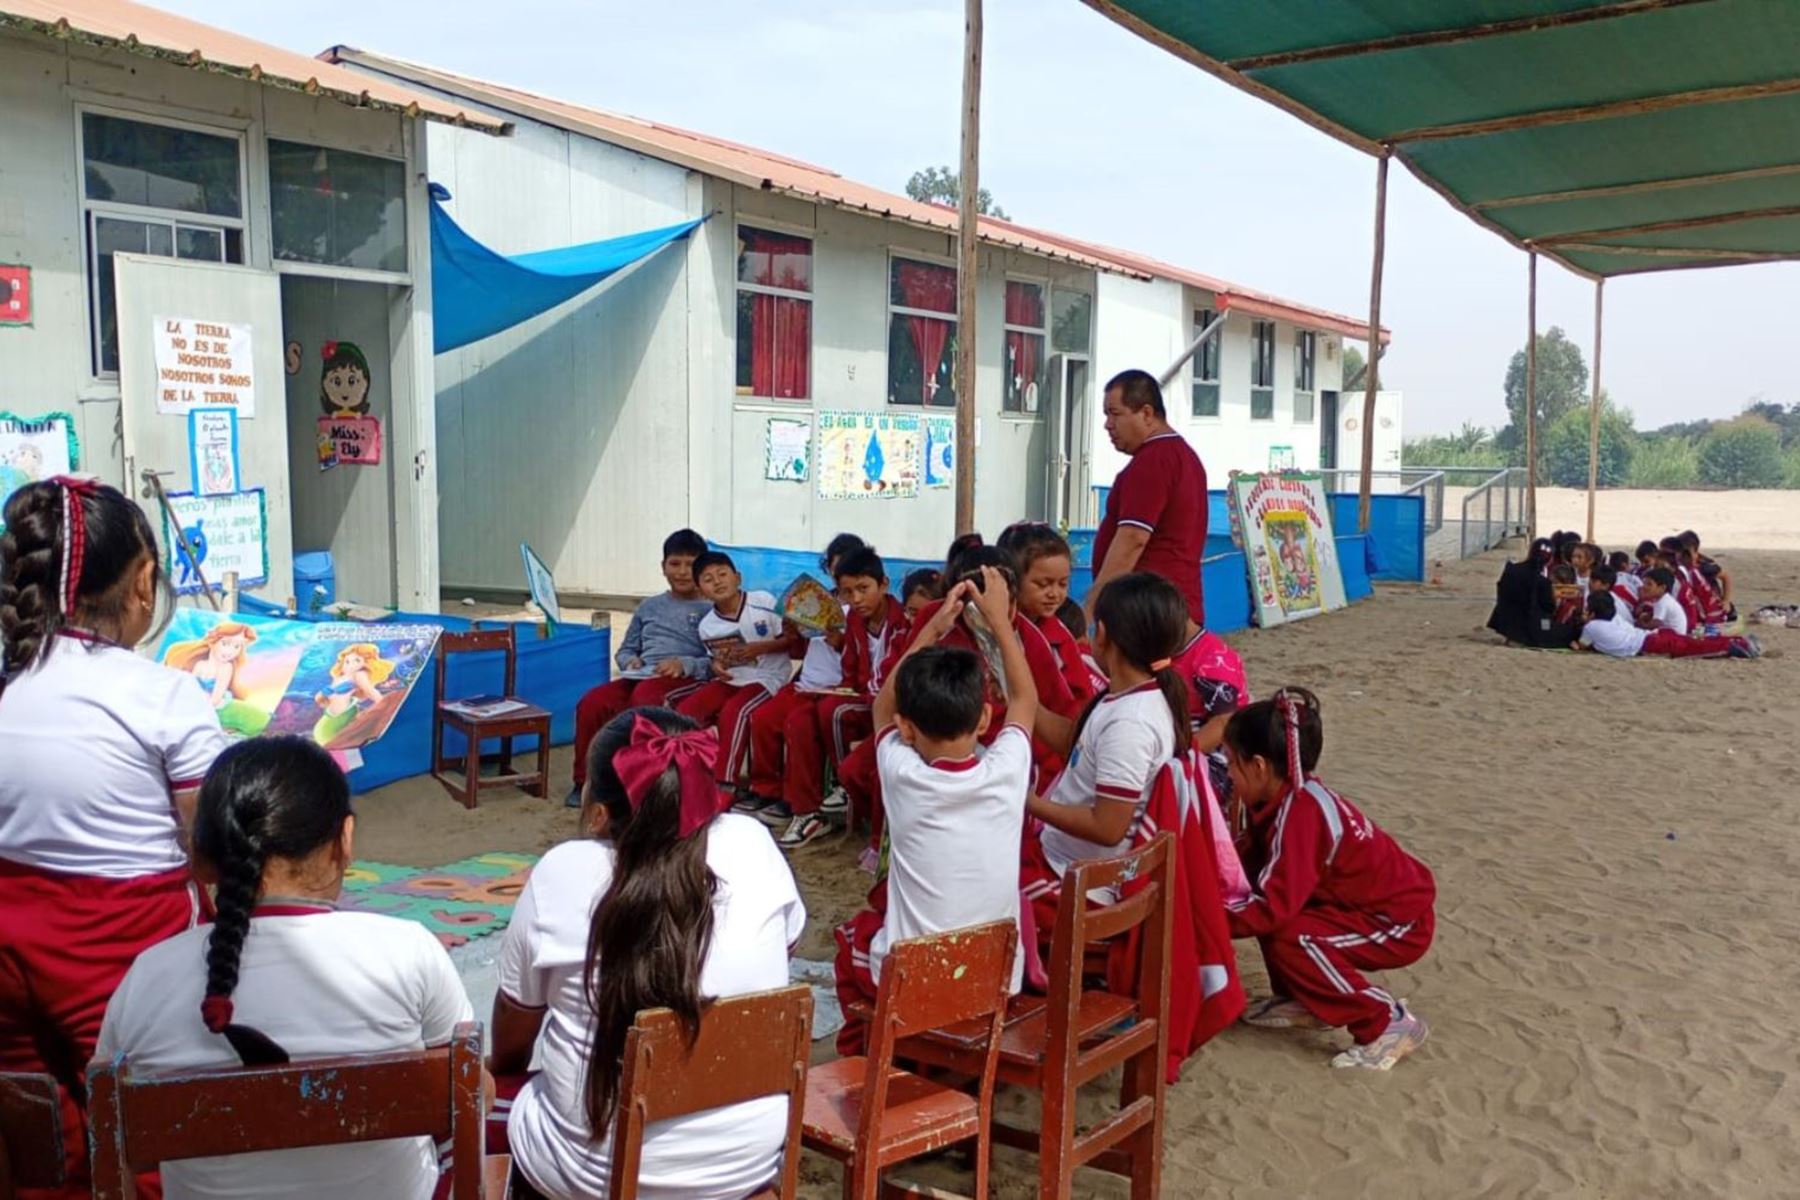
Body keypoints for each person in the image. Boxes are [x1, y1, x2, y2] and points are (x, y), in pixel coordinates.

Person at [95, 738, 473, 1199]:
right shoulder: (410, 952)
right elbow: (473, 1099)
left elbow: (111, 1136)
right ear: (344, 840)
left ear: (205, 855)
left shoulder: (147, 979)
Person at [0, 477, 230, 1194]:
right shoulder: (162, 696)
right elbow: (215, 852)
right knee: (155, 1139)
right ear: (143, 584)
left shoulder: (12, 687)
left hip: (8, 937)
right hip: (124, 945)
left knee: (38, 1136)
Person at [491, 708, 806, 1200]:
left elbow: (513, 1038)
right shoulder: (753, 843)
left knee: (490, 1096)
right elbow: (787, 944)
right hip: (743, 1168)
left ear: (598, 813)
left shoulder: (562, 872)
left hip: (591, 1177)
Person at [833, 567, 1036, 1055]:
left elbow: (881, 709)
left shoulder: (903, 774)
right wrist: (1001, 623)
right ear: (985, 718)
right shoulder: (1007, 769)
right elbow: (1026, 699)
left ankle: (867, 1059)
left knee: (850, 938)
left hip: (916, 982)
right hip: (996, 979)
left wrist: (929, 631)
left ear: (907, 728)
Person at [1225, 688, 1436, 1070]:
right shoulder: (1283, 800)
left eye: (1230, 763)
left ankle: (1384, 1022)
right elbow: (1250, 863)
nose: (1227, 773)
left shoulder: (1302, 814)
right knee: (1281, 918)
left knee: (1293, 934)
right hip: (1361, 907)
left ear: (1258, 767)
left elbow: (1271, 907)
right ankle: (1306, 998)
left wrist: (1209, 917)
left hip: (1400, 922)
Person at [836, 546, 1078, 867]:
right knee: (855, 770)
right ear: (958, 601)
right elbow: (901, 688)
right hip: (930, 734)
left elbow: (1057, 720)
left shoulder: (1029, 640)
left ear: (1012, 601)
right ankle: (883, 843)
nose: (990, 618)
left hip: (996, 746)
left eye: (997, 606)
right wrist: (935, 629)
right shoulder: (937, 619)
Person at [1021, 572, 1188, 928]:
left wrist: (1030, 803)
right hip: (1070, 863)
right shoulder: (1129, 696)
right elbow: (1080, 747)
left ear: (1103, 635)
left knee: (980, 890)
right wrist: (1023, 702)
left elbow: (1108, 827)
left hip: (1083, 885)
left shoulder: (1131, 723)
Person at [750, 546, 909, 850]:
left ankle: (842, 784)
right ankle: (804, 811)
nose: (856, 599)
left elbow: (893, 668)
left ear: (884, 584)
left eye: (863, 589)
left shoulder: (900, 619)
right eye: (848, 592)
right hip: (855, 692)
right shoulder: (854, 620)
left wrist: (854, 686)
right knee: (798, 720)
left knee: (833, 711)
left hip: (888, 699)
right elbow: (850, 665)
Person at [568, 530, 712, 806]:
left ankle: (639, 784)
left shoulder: (712, 609)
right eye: (675, 563)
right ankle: (586, 782)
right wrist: (629, 662)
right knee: (593, 702)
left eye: (691, 564)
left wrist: (683, 664)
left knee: (645, 699)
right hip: (641, 675)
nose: (682, 572)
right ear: (663, 567)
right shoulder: (649, 607)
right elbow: (626, 649)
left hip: (683, 680)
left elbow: (717, 662)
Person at [1088, 370, 1208, 628]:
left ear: (1146, 413)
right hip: (1173, 607)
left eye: (1115, 413)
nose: (1108, 425)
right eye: (1106, 415)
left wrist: (1090, 607)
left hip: (1146, 612)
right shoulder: (1184, 456)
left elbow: (1132, 538)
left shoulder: (1153, 461)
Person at [676, 551, 795, 805]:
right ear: (700, 590)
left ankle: (725, 782)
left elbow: (791, 640)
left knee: (736, 712)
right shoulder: (707, 625)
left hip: (767, 677)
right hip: (732, 677)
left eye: (722, 574)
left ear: (737, 577)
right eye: (708, 579)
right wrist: (717, 664)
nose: (717, 582)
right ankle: (690, 776)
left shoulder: (762, 601)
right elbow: (715, 657)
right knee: (687, 711)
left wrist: (758, 648)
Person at [997, 521, 1101, 704]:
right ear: (1011, 579)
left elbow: (1077, 702)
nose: (1054, 594)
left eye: (1063, 584)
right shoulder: (986, 625)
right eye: (1043, 585)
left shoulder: (1060, 639)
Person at [163, 619, 272, 737]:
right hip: (204, 708)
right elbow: (190, 688)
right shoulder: (200, 665)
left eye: (237, 647)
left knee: (263, 726)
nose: (230, 651)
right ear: (212, 642)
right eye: (225, 644)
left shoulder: (226, 667)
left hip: (221, 708)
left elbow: (216, 698)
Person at [1577, 593, 1757, 659]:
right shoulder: (1614, 618)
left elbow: (1581, 646)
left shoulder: (1591, 627)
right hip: (1657, 635)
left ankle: (1735, 644)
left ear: (1592, 613)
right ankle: (1735, 639)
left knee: (1695, 648)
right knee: (1694, 641)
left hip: (1651, 643)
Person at [1638, 567, 1689, 636]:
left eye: (1649, 584)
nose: (1644, 587)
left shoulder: (1663, 602)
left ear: (1662, 588)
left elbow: (1656, 624)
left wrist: (1642, 625)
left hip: (1674, 639)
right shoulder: (1663, 599)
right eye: (1644, 583)